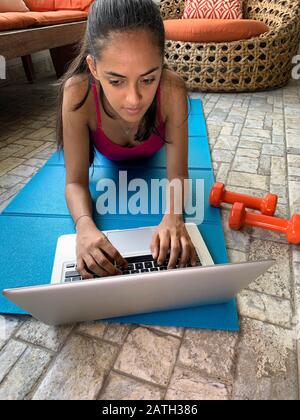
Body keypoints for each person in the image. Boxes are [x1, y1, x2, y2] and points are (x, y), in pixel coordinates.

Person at [56, 0, 198, 280]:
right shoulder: (77, 93)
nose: (133, 101)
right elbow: (74, 182)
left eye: (148, 79)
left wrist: (173, 216)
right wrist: (84, 227)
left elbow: (179, 174)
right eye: (116, 81)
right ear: (94, 68)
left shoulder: (172, 89)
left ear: (161, 64)